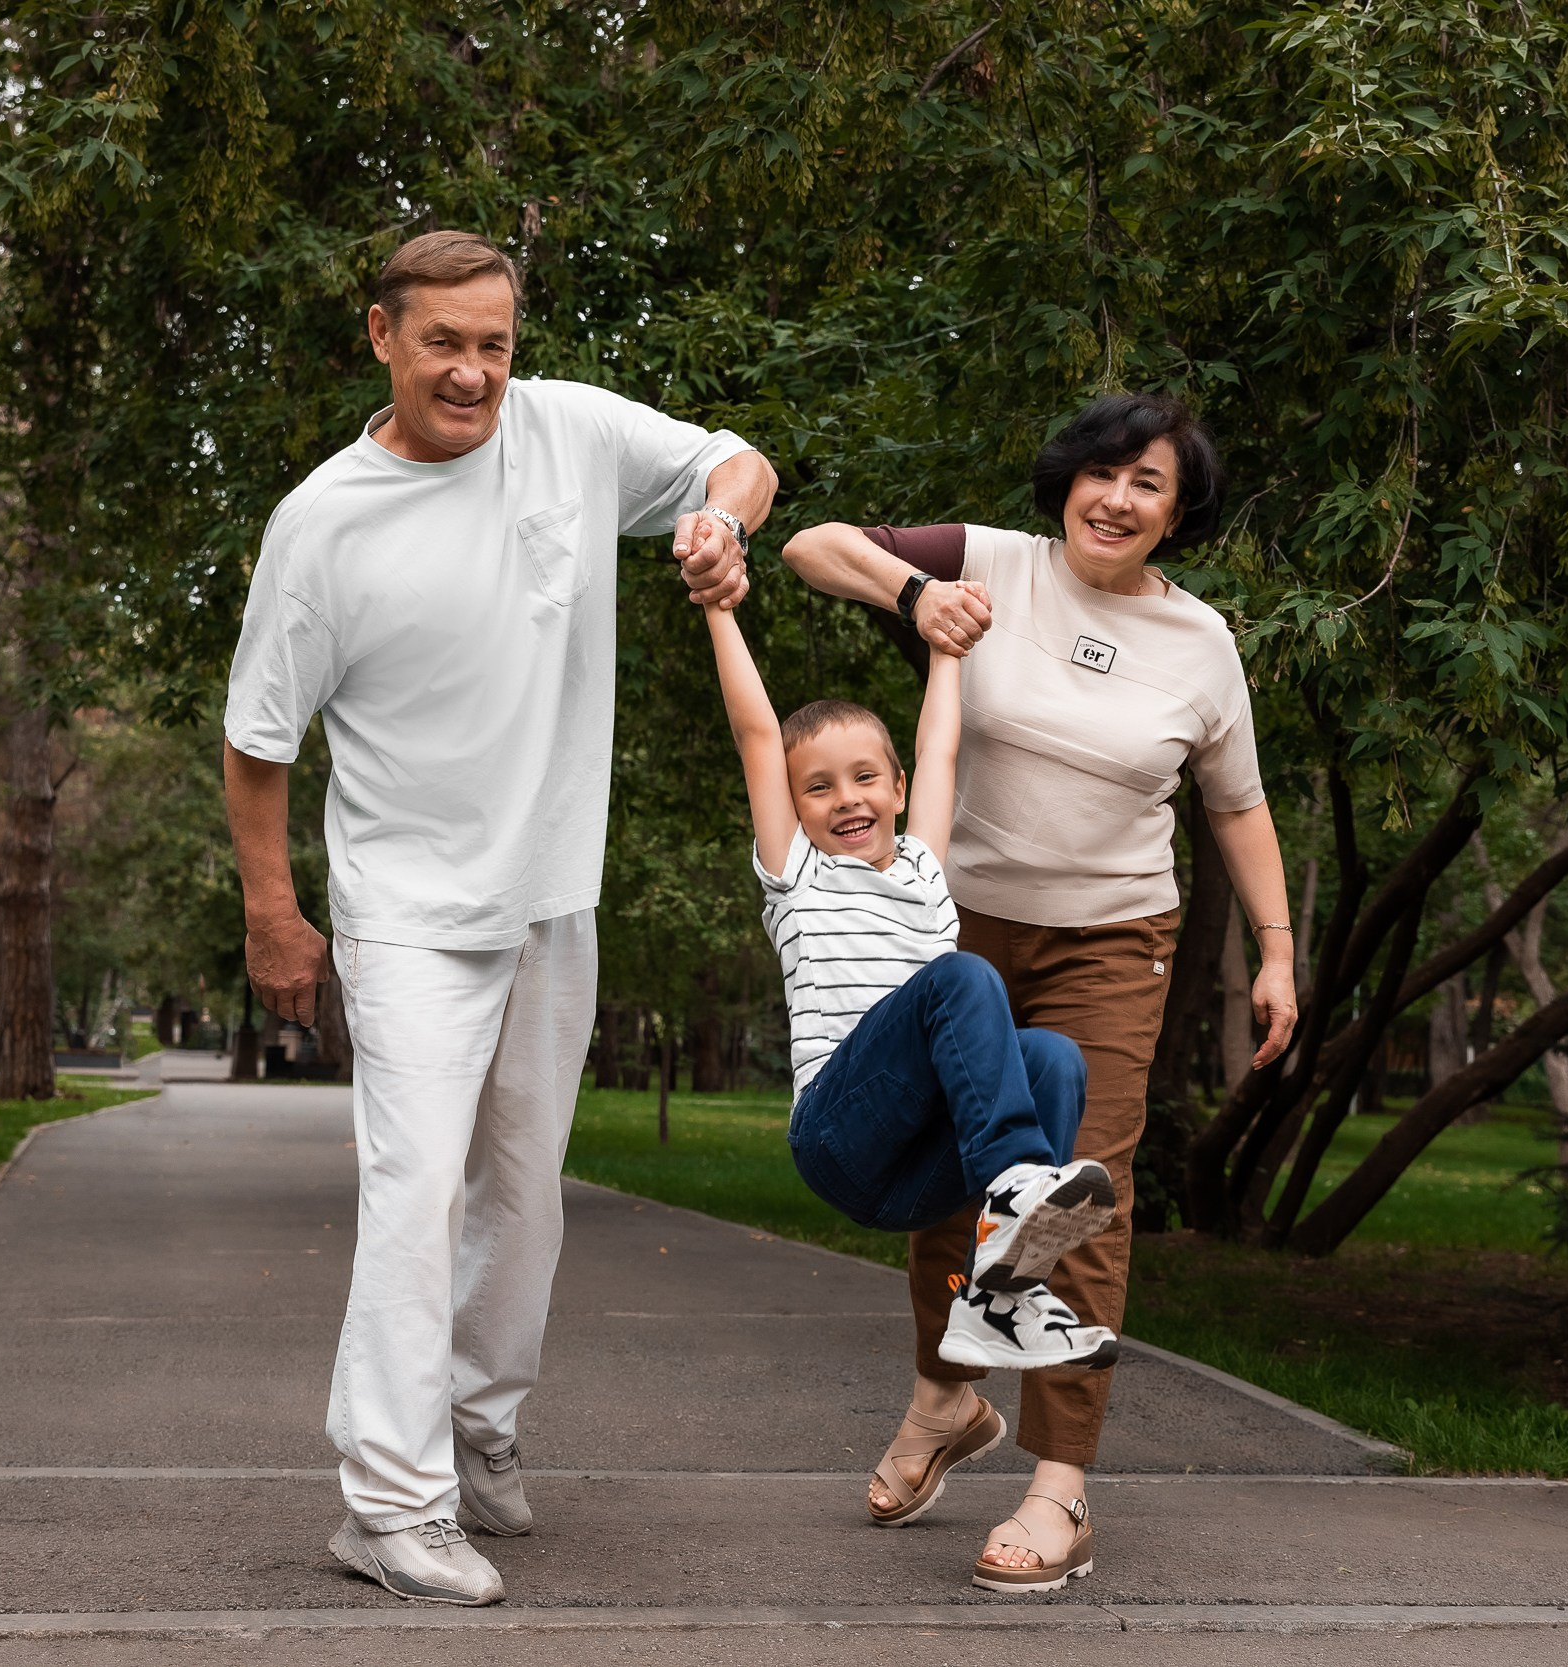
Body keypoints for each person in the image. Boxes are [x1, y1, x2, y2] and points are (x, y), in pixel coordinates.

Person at [221, 229, 778, 1607]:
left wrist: (721, 519)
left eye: (495, 342)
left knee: (523, 1203)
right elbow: (258, 742)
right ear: (381, 337)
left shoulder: (569, 432)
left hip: (550, 891)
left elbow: (737, 454)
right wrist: (272, 911)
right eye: (444, 342)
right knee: (413, 1199)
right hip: (405, 907)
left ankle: (473, 1430)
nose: (473, 371)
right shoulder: (324, 522)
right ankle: (391, 1507)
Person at [779, 392, 1299, 1593]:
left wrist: (1274, 947)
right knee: (950, 1182)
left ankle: (1060, 1488)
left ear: (1179, 512)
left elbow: (1235, 802)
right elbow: (811, 544)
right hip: (960, 929)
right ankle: (943, 1401)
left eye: (1149, 484)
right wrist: (914, 595)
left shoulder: (1202, 643)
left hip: (1114, 941)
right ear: (1066, 478)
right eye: (1102, 472)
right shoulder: (990, 563)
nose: (1117, 498)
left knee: (1075, 1193)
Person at [703, 595, 1122, 1404]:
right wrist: (721, 610)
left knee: (1054, 1058)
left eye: (865, 777)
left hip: (923, 1167)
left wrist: (948, 648)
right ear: (794, 811)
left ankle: (999, 1294)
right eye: (817, 789)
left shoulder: (927, 873)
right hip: (839, 1137)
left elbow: (941, 748)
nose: (847, 798)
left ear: (897, 786)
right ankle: (1016, 1186)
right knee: (964, 978)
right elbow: (757, 733)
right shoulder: (799, 874)